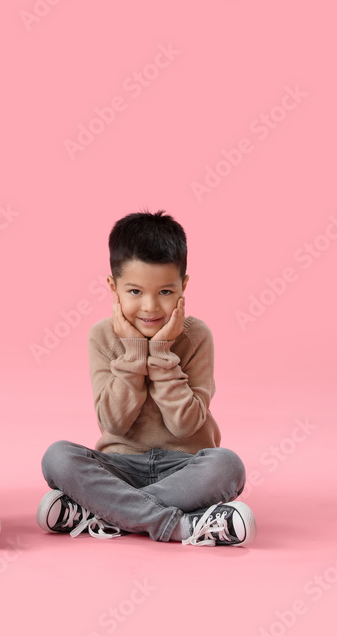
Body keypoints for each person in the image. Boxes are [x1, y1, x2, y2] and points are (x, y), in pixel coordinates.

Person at [37, 209, 256, 547]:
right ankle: (182, 525)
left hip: (184, 468)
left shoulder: (197, 336)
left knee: (227, 466)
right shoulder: (101, 336)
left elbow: (186, 425)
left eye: (166, 292)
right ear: (114, 287)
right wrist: (134, 352)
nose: (151, 307)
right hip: (120, 467)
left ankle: (103, 513)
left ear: (184, 286)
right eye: (135, 292)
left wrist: (163, 353)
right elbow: (114, 422)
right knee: (58, 457)